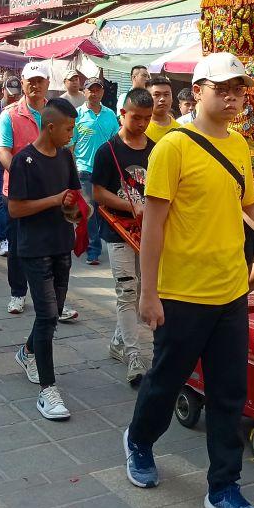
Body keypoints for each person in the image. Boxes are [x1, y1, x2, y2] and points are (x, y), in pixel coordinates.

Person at [124, 53, 254, 508]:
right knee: (166, 381)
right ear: (198, 91)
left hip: (230, 292)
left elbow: (249, 204)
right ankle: (140, 441)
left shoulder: (240, 145)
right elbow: (153, 225)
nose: (232, 98)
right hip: (182, 293)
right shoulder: (172, 147)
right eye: (222, 89)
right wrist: (149, 293)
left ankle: (224, 487)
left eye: (238, 89)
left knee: (230, 393)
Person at [10, 98, 83, 420]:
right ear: (50, 127)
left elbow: (74, 196)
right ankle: (48, 390)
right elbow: (15, 209)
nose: (72, 134)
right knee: (46, 315)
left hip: (61, 244)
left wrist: (77, 209)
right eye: (68, 129)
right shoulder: (24, 160)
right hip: (35, 248)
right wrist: (54, 200)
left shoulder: (66, 156)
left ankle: (28, 352)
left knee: (53, 314)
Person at [93, 87, 154, 385]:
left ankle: (119, 340)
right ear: (123, 114)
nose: (141, 124)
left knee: (143, 290)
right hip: (118, 230)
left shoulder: (156, 149)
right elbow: (98, 193)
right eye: (136, 117)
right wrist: (132, 205)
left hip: (148, 232)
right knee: (127, 290)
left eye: (147, 118)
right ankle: (133, 354)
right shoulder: (108, 150)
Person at [0, 63, 49, 316]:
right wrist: (23, 176)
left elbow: (67, 148)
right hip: (18, 192)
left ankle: (54, 298)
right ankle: (17, 293)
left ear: (47, 83)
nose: (35, 85)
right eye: (31, 80)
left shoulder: (56, 112)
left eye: (40, 80)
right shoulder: (9, 115)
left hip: (50, 191)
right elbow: (3, 151)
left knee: (51, 246)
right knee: (18, 246)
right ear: (23, 82)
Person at [73, 75, 120, 267]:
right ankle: (93, 250)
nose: (94, 93)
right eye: (90, 90)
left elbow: (116, 142)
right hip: (84, 169)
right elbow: (70, 144)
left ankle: (97, 240)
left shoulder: (110, 115)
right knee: (89, 210)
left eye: (98, 89)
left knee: (103, 210)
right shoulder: (77, 115)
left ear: (103, 92)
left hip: (105, 171)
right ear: (84, 92)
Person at [0, 77, 21, 254]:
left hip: (20, 162)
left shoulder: (23, 109)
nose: (14, 97)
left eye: (17, 94)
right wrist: (2, 138)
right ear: (3, 91)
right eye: (10, 93)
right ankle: (4, 239)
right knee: (2, 201)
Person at [144, 75, 176, 144]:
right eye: (157, 95)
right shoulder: (141, 127)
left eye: (166, 95)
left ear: (172, 98)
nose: (162, 99)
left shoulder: (179, 129)